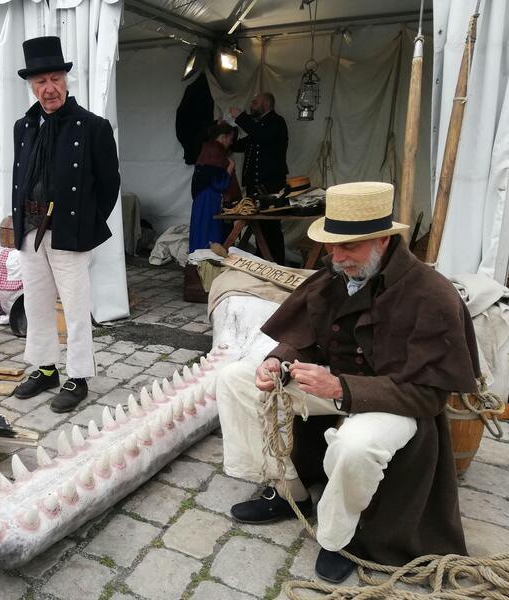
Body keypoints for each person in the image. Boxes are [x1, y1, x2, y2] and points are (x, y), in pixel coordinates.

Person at [215, 182, 480, 583]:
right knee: (235, 379)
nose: (336, 258)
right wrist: (277, 361)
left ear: (383, 239)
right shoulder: (338, 276)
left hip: (396, 403)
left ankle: (340, 537)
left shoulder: (433, 296)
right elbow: (305, 338)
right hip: (333, 388)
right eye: (332, 246)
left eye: (348, 247)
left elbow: (429, 397)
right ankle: (291, 492)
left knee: (355, 446)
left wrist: (341, 388)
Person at [10, 36, 120, 413]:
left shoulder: (93, 127)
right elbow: (20, 177)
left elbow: (109, 185)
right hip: (30, 229)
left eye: (55, 78)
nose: (49, 88)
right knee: (38, 304)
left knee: (75, 307)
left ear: (66, 81)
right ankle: (45, 368)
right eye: (41, 81)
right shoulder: (22, 128)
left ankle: (77, 375)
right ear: (32, 85)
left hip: (69, 232)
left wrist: (86, 224)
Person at [229, 92, 289, 264]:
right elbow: (243, 144)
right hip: (255, 185)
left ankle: (275, 263)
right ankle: (263, 261)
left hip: (270, 183)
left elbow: (261, 135)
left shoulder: (276, 122)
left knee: (271, 226)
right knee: (259, 227)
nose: (251, 105)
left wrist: (240, 117)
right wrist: (227, 135)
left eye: (255, 102)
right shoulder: (259, 127)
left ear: (267, 104)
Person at [188, 121, 242, 253]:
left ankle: (199, 262)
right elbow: (219, 183)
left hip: (203, 198)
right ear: (223, 137)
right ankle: (206, 265)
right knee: (209, 234)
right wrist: (230, 166)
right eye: (230, 139)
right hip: (209, 200)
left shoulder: (209, 149)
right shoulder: (215, 152)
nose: (231, 143)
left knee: (201, 231)